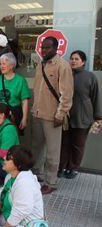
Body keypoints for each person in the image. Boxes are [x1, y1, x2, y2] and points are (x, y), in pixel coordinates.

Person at [31, 36, 74, 194]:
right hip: (37, 113)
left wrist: (60, 114)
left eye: (47, 48)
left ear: (56, 49)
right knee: (37, 148)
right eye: (43, 48)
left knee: (52, 152)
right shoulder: (40, 65)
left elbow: (67, 94)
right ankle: (37, 175)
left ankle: (50, 182)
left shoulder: (62, 66)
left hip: (53, 116)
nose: (44, 51)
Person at [59, 50, 102, 179]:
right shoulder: (65, 75)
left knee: (78, 145)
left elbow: (96, 97)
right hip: (66, 117)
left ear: (83, 62)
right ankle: (62, 166)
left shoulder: (90, 77)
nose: (73, 61)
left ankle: (73, 168)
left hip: (82, 117)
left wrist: (98, 117)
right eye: (72, 58)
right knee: (64, 143)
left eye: (77, 59)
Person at [0, 53, 31, 134]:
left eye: (4, 64)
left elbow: (25, 101)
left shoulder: (20, 81)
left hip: (10, 119)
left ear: (12, 65)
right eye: (0, 64)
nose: (1, 66)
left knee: (8, 141)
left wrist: (24, 118)